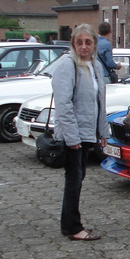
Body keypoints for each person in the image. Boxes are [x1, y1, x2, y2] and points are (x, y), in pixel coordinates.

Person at [52, 24, 110, 241]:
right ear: (73, 44)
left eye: (88, 42)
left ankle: (69, 225)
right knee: (74, 179)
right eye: (79, 42)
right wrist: (72, 137)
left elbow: (99, 103)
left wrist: (103, 131)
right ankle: (74, 228)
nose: (84, 46)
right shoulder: (68, 65)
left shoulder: (94, 65)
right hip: (74, 134)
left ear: (94, 44)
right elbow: (63, 104)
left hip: (88, 133)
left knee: (77, 178)